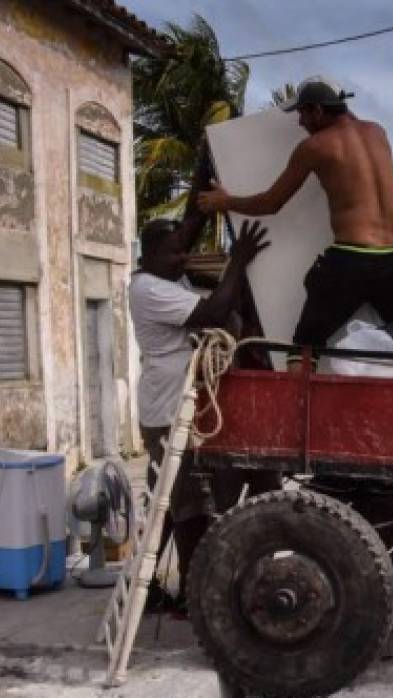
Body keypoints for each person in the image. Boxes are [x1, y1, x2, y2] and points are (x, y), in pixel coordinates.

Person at [198, 76, 393, 366]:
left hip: (352, 259)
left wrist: (225, 201)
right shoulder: (378, 132)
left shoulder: (315, 147)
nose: (299, 123)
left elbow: (271, 203)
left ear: (318, 110)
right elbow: (346, 117)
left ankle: (296, 411)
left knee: (304, 348)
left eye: (303, 113)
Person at [129, 157, 270, 608]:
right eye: (173, 253)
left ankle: (151, 588)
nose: (183, 257)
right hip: (167, 413)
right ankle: (194, 598)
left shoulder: (165, 271)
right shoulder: (151, 288)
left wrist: (202, 168)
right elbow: (211, 312)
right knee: (185, 510)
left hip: (177, 408)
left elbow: (188, 226)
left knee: (169, 506)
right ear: (149, 256)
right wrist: (239, 263)